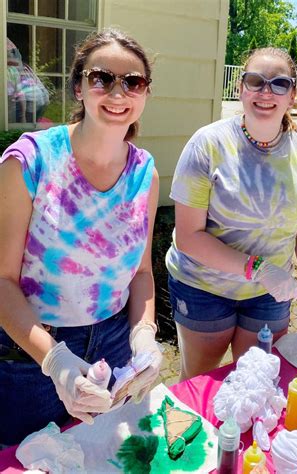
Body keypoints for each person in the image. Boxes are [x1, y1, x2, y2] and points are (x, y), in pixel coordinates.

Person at [0, 28, 162, 446]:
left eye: (133, 81)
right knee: (30, 458)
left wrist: (144, 333)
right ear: (79, 87)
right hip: (31, 353)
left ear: (144, 93)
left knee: (105, 455)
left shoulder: (146, 172)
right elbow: (2, 282)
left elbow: (141, 273)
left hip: (113, 344)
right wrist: (54, 360)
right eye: (101, 78)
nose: (117, 91)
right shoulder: (31, 159)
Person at [166, 47, 297, 380]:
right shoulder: (207, 144)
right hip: (204, 288)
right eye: (256, 81)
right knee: (201, 383)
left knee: (259, 379)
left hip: (270, 295)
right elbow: (189, 237)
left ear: (293, 95)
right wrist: (259, 269)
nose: (266, 92)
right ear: (241, 88)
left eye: (279, 83)